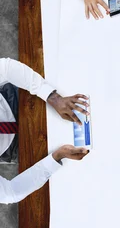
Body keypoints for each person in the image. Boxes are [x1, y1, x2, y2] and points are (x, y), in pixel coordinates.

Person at [0, 58, 89, 204]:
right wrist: (56, 157)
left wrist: (52, 96)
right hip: (20, 146)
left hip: (20, 100)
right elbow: (10, 193)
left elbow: (4, 68)